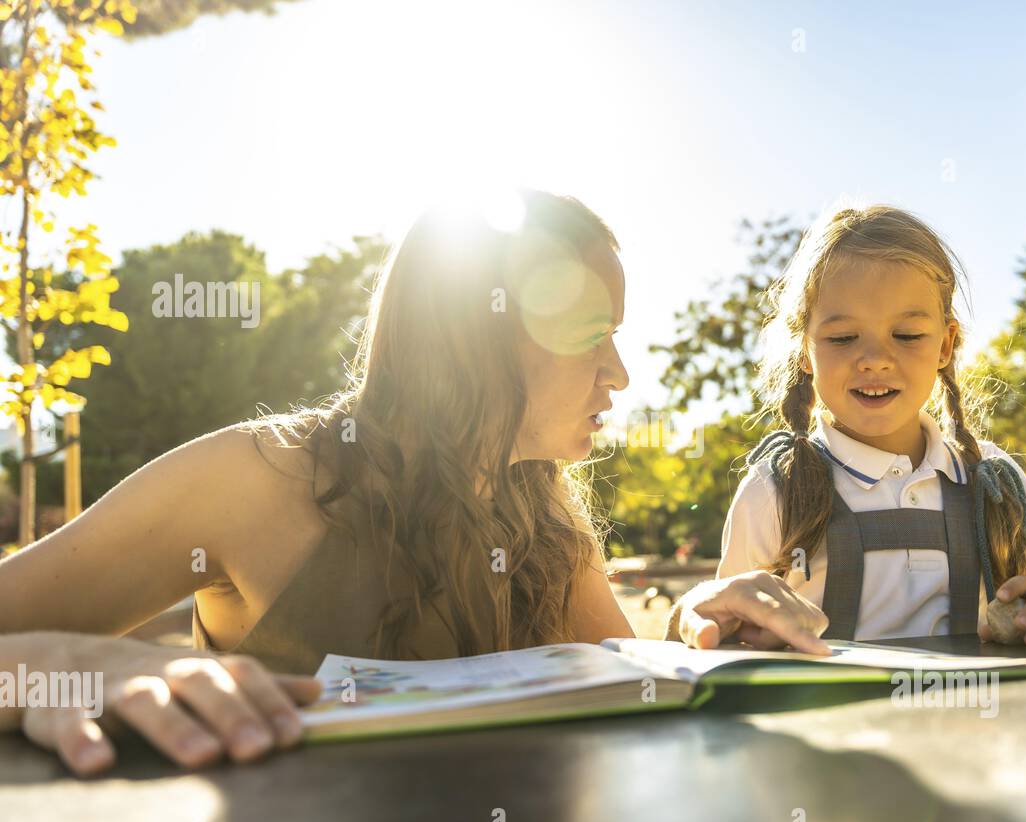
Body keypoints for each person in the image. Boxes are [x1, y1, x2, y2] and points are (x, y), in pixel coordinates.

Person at [0, 189, 828, 776]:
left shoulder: (544, 519)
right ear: (471, 330)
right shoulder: (253, 478)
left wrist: (695, 619)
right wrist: (71, 663)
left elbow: (628, 670)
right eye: (589, 332)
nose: (617, 371)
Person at [693, 201, 1026, 650]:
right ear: (805, 351)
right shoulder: (775, 489)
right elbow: (719, 633)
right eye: (842, 338)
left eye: (906, 335)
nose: (875, 359)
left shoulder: (991, 479)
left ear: (946, 345)